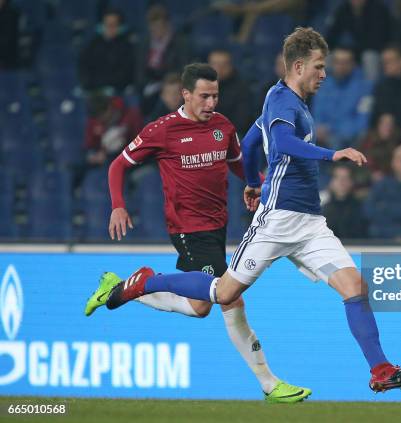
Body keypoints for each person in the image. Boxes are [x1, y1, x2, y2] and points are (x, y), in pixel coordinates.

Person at [101, 27, 401, 393]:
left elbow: (253, 140)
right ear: (299, 66)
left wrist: (252, 180)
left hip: (311, 224)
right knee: (222, 294)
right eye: (318, 67)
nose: (324, 74)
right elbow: (282, 142)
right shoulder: (284, 102)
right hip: (277, 221)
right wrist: (333, 154)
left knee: (354, 286)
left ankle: (380, 369)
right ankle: (146, 283)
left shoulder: (288, 102)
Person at [84, 63, 310, 403]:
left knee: (201, 306)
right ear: (185, 94)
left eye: (215, 96)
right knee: (230, 297)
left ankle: (126, 287)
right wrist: (118, 205)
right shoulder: (163, 130)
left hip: (218, 226)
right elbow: (119, 165)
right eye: (204, 96)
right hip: (188, 228)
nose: (211, 103)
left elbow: (235, 162)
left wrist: (256, 184)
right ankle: (269, 383)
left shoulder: (223, 126)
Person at [136, 4, 192, 117]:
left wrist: (164, 82)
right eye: (153, 27)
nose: (156, 31)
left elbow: (184, 67)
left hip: (170, 82)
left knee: (164, 96)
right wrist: (143, 83)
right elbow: (139, 69)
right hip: (148, 84)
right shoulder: (145, 43)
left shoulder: (180, 43)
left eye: (159, 27)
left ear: (167, 25)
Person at [312, 47, 373, 150]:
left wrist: (331, 129)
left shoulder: (365, 88)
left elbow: (362, 122)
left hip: (347, 139)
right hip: (320, 136)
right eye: (337, 62)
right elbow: (316, 113)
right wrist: (318, 128)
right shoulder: (322, 85)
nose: (340, 66)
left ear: (353, 64)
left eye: (345, 62)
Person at [78, 8, 135, 94]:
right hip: (95, 91)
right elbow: (83, 67)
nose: (110, 28)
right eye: (107, 24)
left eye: (114, 24)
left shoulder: (127, 47)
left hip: (118, 91)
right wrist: (92, 85)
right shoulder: (93, 44)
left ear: (119, 26)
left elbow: (126, 73)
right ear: (102, 25)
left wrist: (109, 85)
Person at [208, 49, 254, 135]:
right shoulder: (200, 85)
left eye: (223, 65)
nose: (219, 69)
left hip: (230, 135)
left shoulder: (241, 88)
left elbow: (241, 121)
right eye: (215, 64)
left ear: (230, 66)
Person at [322, 164, 368, 239]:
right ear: (331, 182)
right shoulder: (323, 211)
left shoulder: (362, 209)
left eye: (346, 178)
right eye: (337, 177)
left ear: (352, 182)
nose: (341, 181)